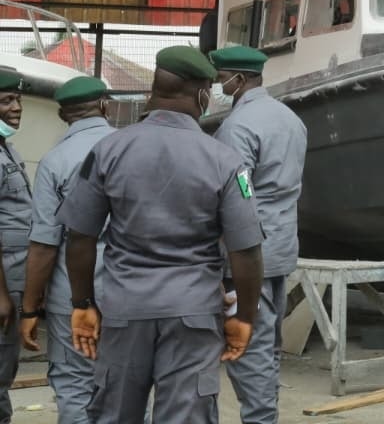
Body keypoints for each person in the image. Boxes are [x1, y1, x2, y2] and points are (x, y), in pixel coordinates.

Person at [57, 46, 265, 424]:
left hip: (123, 309)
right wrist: (245, 316)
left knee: (115, 414)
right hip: (193, 314)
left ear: (154, 89)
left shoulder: (107, 150)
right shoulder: (223, 159)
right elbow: (246, 251)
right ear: (202, 94)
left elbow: (80, 236)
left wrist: (82, 302)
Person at [209, 45, 307, 424]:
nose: (218, 87)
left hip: (247, 257)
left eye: (220, 80)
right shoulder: (290, 119)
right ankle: (265, 413)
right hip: (282, 247)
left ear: (237, 79)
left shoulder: (237, 128)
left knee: (245, 346)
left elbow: (233, 198)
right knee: (267, 347)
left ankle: (261, 418)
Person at [20, 77, 114, 424]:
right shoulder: (132, 148)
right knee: (124, 385)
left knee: (75, 385)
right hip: (130, 291)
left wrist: (29, 308)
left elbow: (44, 245)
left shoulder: (55, 161)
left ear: (63, 115)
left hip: (73, 298)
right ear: (105, 105)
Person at [0, 67, 30, 424]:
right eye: (7, 100)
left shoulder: (6, 148)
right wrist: (2, 294)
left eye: (18, 99)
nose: (17, 107)